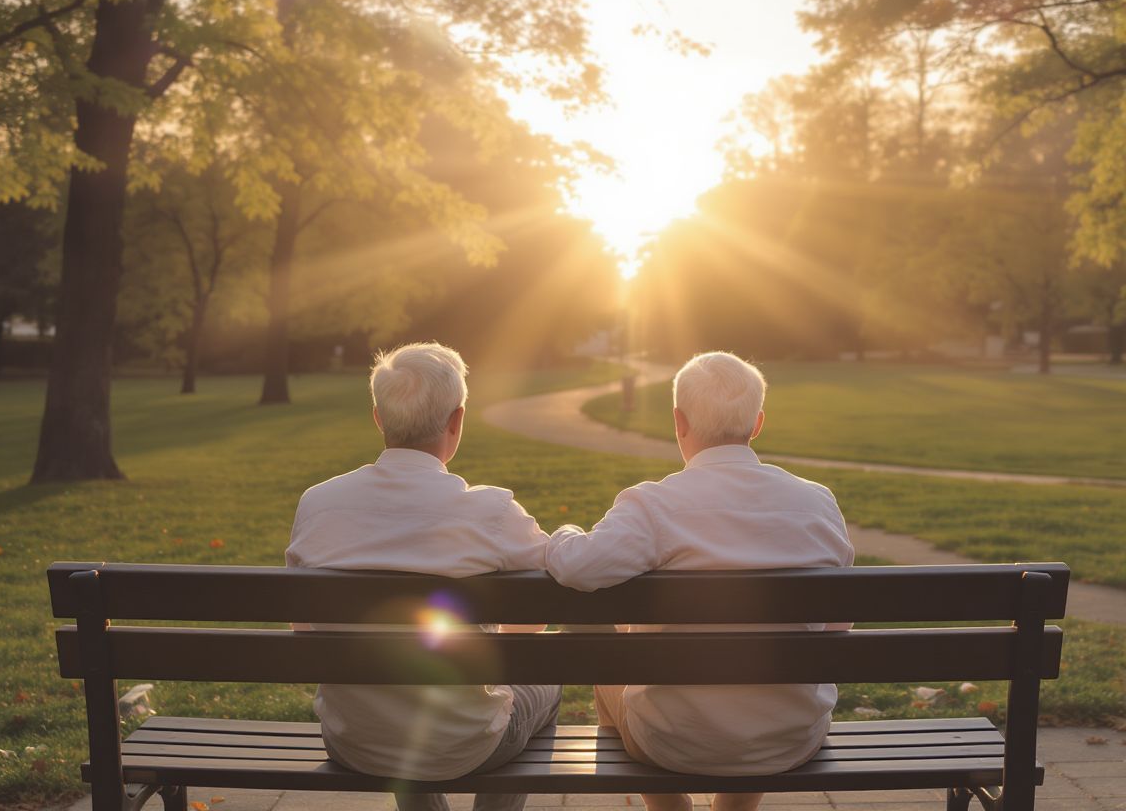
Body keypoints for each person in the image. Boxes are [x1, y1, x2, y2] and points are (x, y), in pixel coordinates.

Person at [545, 351, 854, 811]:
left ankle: (668, 807)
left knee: (606, 661)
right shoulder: (816, 503)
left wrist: (564, 533)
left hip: (672, 742)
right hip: (790, 739)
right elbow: (837, 628)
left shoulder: (653, 506)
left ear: (679, 422)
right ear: (757, 423)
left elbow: (574, 568)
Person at [286, 342, 559, 811]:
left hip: (354, 740)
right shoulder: (490, 511)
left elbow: (304, 630)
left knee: (402, 701)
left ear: (378, 417)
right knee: (547, 676)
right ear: (457, 420)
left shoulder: (318, 503)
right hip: (467, 745)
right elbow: (535, 621)